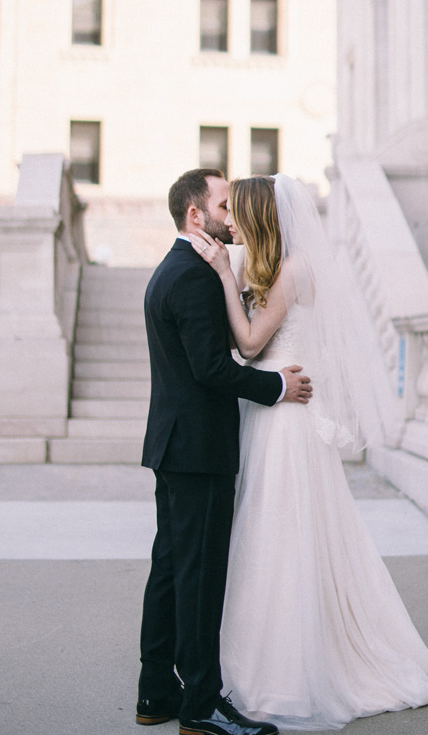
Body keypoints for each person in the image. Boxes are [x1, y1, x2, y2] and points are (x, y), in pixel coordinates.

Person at [191, 173, 428, 731]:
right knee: (260, 537)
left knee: (285, 537)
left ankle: (292, 671)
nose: (231, 221)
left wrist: (225, 274)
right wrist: (232, 277)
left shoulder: (294, 270)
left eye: (238, 211)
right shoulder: (260, 266)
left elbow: (250, 342)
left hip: (289, 419)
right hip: (263, 411)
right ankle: (254, 660)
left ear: (260, 215)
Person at [137, 168, 313, 735]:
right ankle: (200, 707)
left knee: (170, 569)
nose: (229, 213)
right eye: (221, 203)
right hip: (198, 450)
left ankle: (156, 692)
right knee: (199, 578)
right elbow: (212, 369)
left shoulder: (178, 266)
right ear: (196, 215)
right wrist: (276, 387)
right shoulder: (190, 274)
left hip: (176, 446)